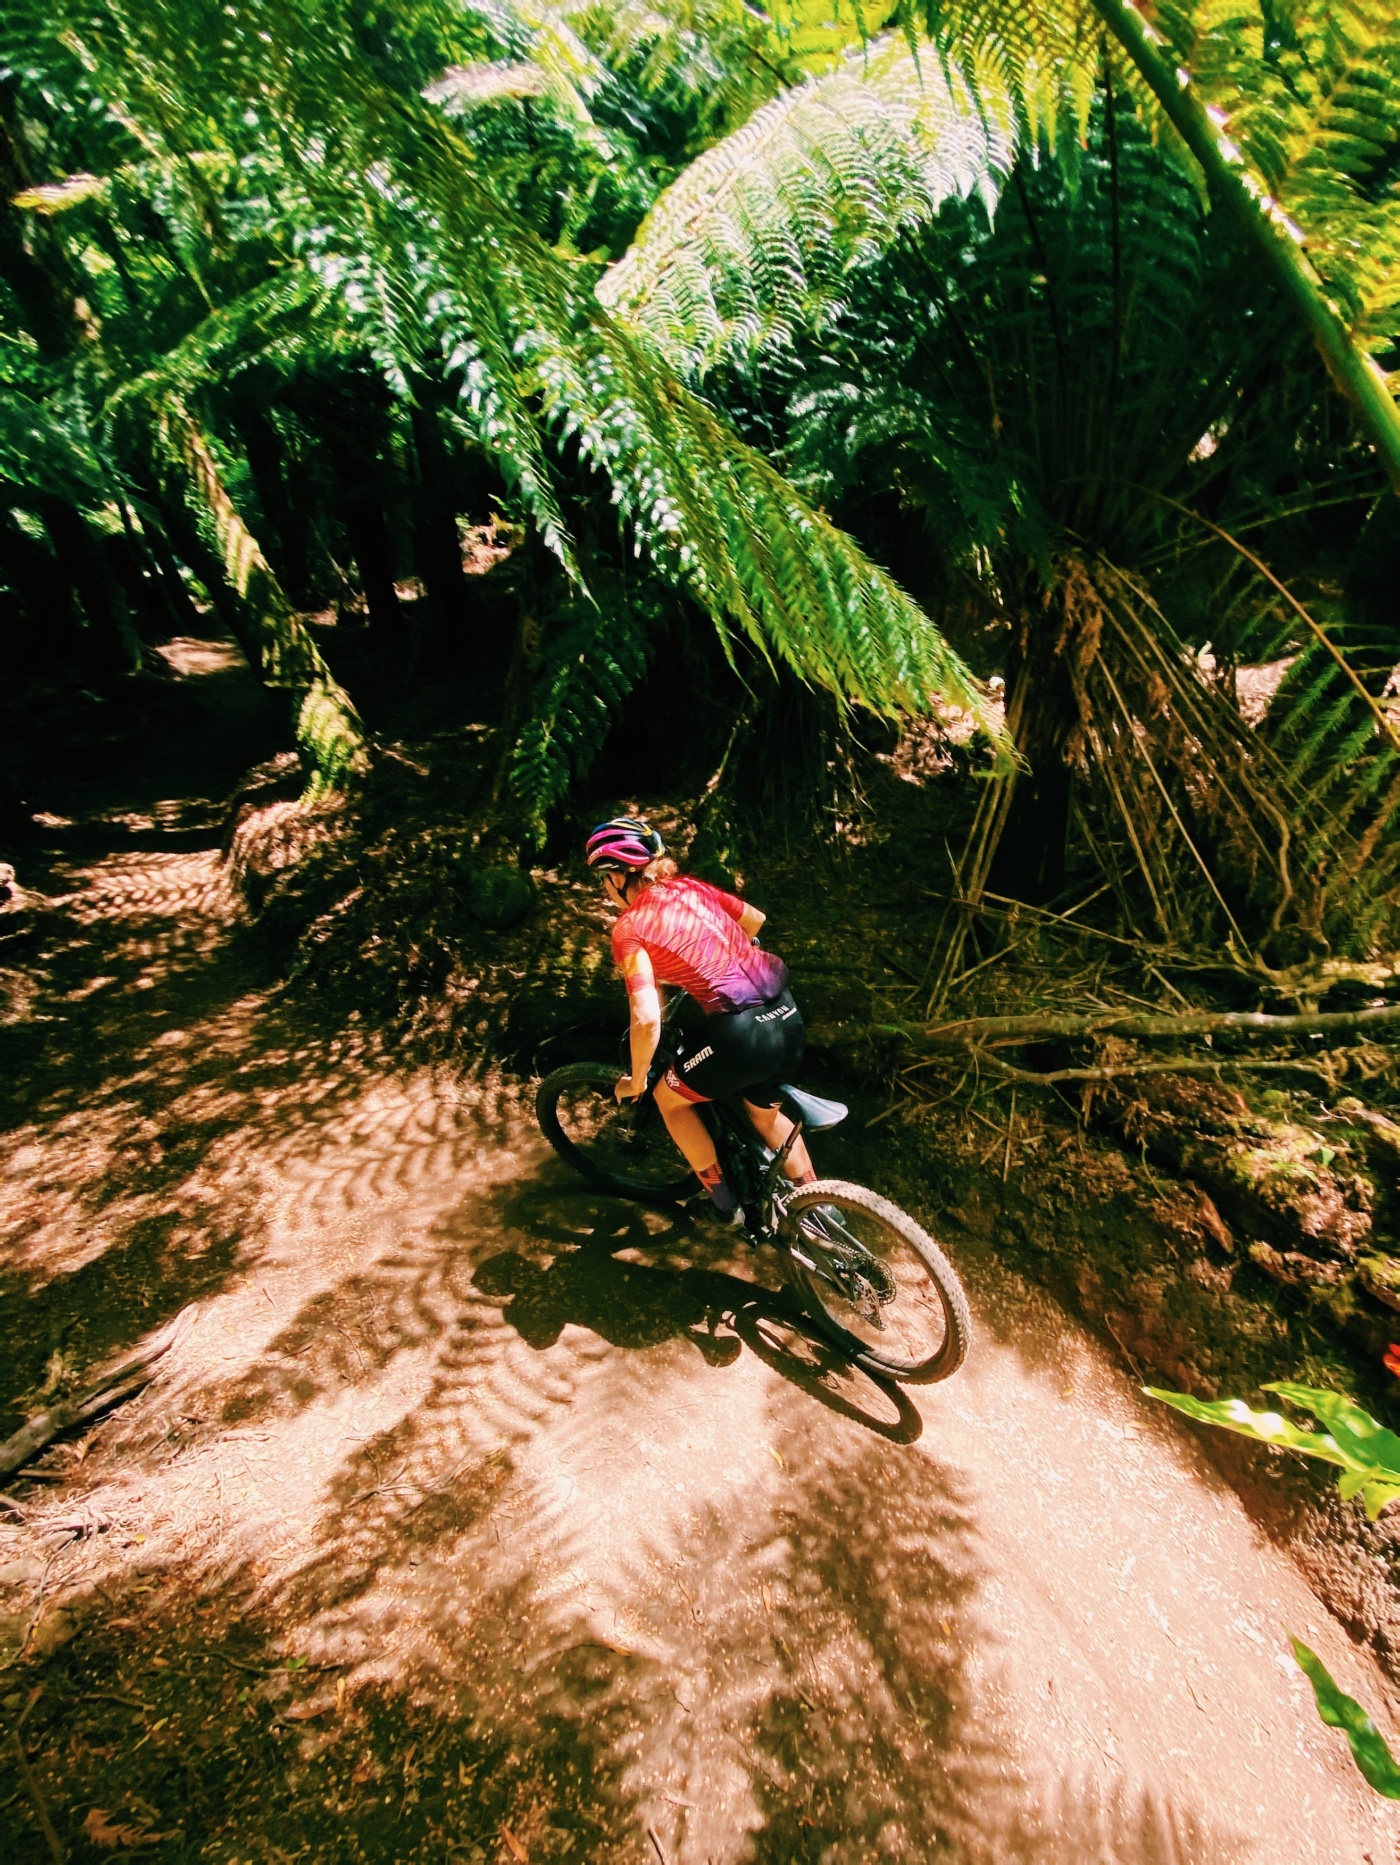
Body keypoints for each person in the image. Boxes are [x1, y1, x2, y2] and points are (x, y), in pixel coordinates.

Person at [585, 815, 817, 1220]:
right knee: (766, 1116)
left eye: (602, 880)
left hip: (742, 1036)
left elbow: (645, 1019)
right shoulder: (690, 888)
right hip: (788, 1013)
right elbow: (754, 919)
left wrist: (637, 1079)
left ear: (619, 876)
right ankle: (819, 1206)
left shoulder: (630, 928)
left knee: (668, 1100)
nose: (604, 890)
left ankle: (724, 1204)